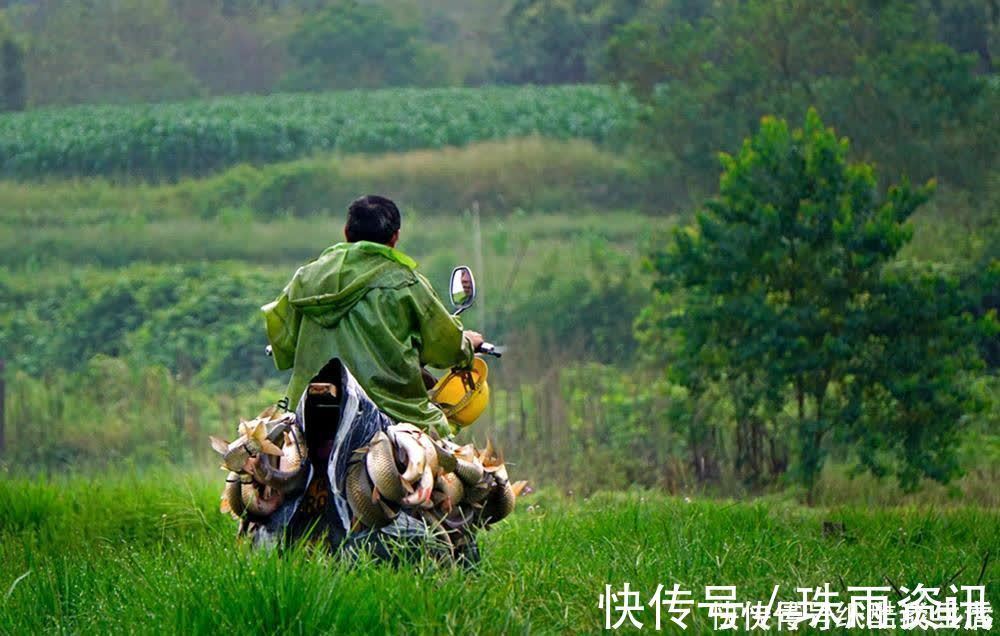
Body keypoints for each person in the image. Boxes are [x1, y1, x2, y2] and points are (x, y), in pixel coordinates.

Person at [262, 195, 483, 437]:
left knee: (265, 459)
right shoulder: (407, 283)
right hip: (394, 412)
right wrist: (466, 345)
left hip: (308, 410)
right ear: (395, 237)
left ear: (346, 233)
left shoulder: (306, 278)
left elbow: (283, 340)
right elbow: (444, 347)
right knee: (448, 456)